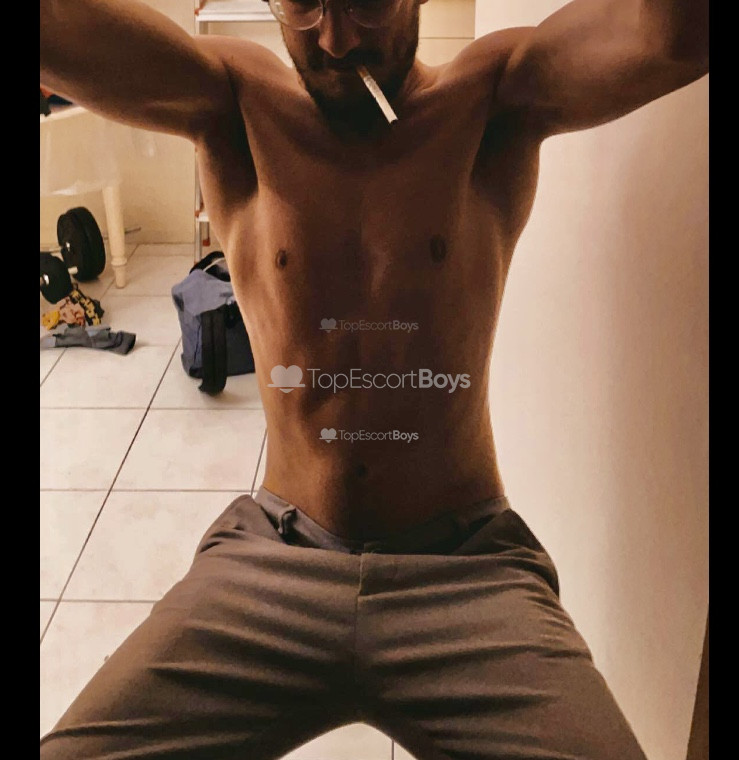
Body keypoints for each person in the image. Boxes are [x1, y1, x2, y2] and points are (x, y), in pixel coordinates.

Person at [39, 1, 708, 758]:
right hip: (275, 556)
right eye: (305, 3)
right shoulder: (237, 101)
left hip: (465, 570)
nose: (335, 38)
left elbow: (673, 39)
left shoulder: (491, 97)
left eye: (367, 0)